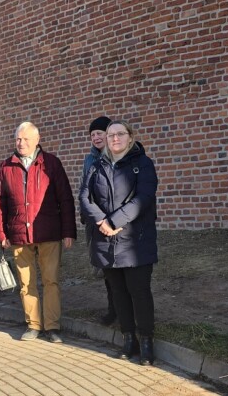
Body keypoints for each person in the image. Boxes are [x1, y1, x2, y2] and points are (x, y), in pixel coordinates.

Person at [80, 120, 159, 365]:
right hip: (106, 241)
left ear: (130, 137)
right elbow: (84, 195)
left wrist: (114, 221)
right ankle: (128, 338)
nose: (115, 139)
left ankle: (146, 340)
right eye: (111, 134)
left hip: (135, 241)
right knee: (119, 293)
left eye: (120, 134)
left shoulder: (142, 164)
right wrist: (101, 220)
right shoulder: (97, 165)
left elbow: (143, 198)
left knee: (140, 292)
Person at [0, 122, 76, 343]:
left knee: (51, 281)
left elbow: (65, 199)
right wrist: (1, 233)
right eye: (18, 139)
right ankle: (33, 324)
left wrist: (69, 231)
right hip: (19, 234)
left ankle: (52, 326)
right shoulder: (6, 167)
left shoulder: (51, 164)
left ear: (37, 140)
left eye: (26, 139)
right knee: (26, 283)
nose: (21, 143)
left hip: (49, 232)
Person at [81, 115, 120, 326]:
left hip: (114, 221)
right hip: (95, 221)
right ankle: (112, 310)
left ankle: (124, 311)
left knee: (120, 267)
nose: (96, 137)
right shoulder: (89, 159)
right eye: (92, 134)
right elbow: (84, 189)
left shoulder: (116, 156)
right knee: (105, 269)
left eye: (99, 133)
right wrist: (85, 215)